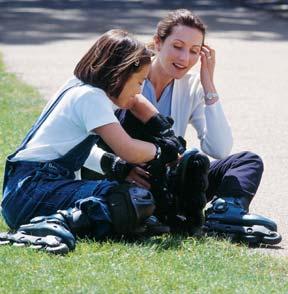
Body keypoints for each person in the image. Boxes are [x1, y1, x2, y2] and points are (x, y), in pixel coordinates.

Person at [83, 9, 281, 245]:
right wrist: (120, 167)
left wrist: (208, 84)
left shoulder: (192, 86)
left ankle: (225, 215)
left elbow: (219, 148)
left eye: (194, 51)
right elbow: (84, 146)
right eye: (177, 46)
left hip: (170, 181)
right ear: (158, 43)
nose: (185, 58)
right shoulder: (126, 79)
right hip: (128, 178)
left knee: (247, 161)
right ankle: (157, 211)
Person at [0, 29, 184, 254]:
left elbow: (135, 102)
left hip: (27, 189)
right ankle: (52, 224)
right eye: (139, 81)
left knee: (130, 201)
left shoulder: (81, 86)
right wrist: (162, 150)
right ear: (119, 74)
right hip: (32, 190)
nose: (138, 90)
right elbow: (128, 150)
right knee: (127, 199)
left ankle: (92, 220)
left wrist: (163, 130)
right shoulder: (91, 98)